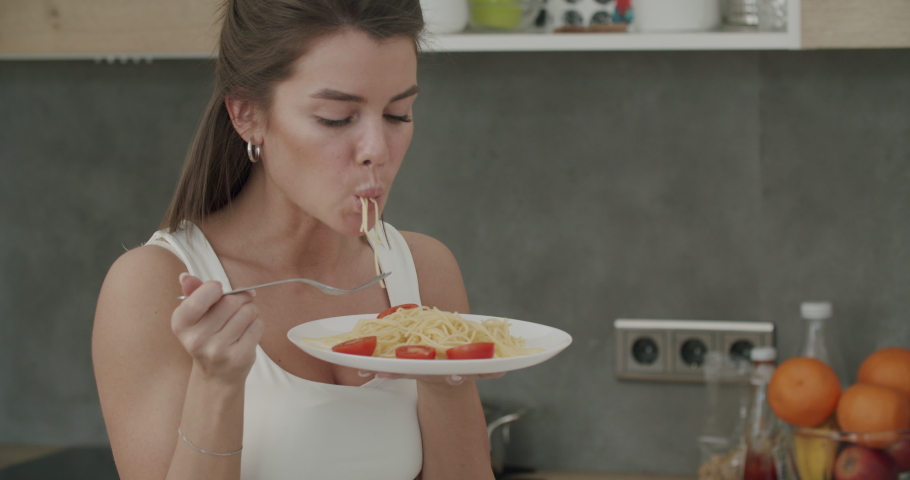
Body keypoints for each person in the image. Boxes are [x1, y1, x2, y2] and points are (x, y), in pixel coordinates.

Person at [91, 1, 498, 479]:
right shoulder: (154, 286)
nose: (377, 151)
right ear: (246, 115)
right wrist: (218, 386)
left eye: (398, 113)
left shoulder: (425, 270)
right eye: (335, 118)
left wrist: (447, 381)